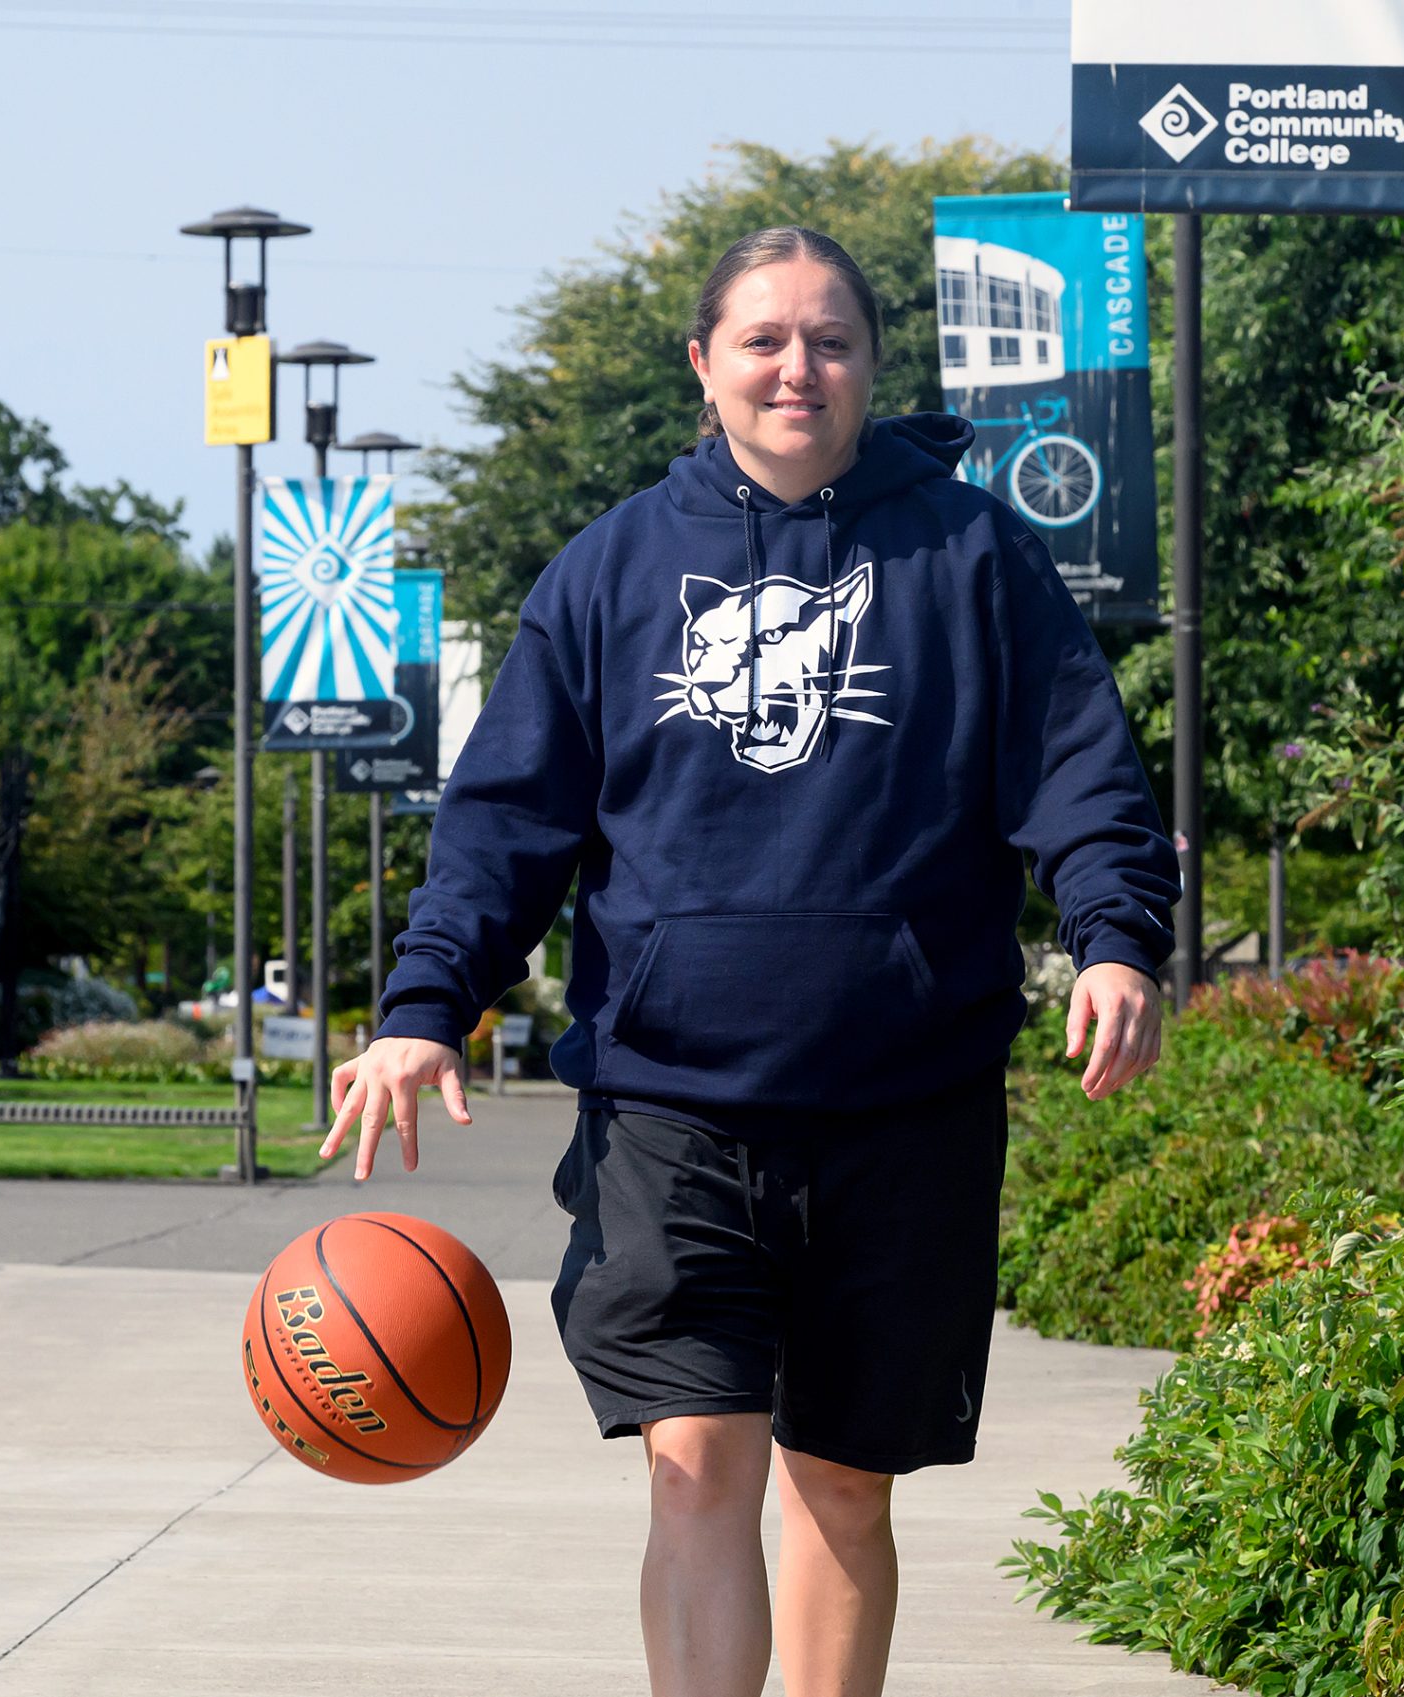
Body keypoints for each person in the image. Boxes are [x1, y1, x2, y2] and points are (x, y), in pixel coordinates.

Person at [321, 225, 1180, 1697]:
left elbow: (1081, 775)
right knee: (697, 1458)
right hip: (672, 1103)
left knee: (842, 1480)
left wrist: (1116, 940)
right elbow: (506, 823)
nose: (799, 368)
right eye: (765, 340)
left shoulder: (975, 555)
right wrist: (425, 1006)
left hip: (907, 1105)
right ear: (705, 364)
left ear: (871, 366)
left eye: (831, 340)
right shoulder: (609, 571)